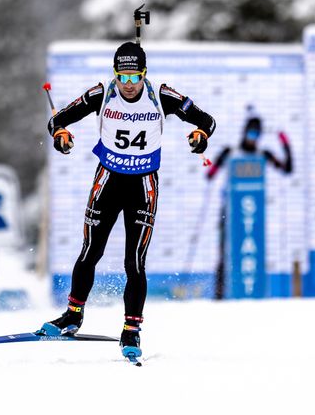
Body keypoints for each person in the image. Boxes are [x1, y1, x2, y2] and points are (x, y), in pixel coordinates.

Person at [38, 41, 216, 360]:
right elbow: (57, 121)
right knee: (91, 251)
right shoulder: (101, 93)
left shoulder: (162, 96)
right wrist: (60, 136)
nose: (129, 85)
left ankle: (131, 329)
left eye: (135, 78)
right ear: (115, 74)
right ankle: (73, 315)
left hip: (143, 185)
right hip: (108, 181)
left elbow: (207, 121)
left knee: (133, 262)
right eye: (124, 77)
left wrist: (200, 137)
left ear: (144, 74)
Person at [206, 107, 292, 299]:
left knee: (251, 250)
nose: (253, 138)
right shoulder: (232, 152)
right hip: (229, 211)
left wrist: (285, 145)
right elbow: (210, 174)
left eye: (257, 134)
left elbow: (287, 168)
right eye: (251, 133)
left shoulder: (263, 154)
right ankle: (219, 295)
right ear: (245, 132)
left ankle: (253, 292)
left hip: (252, 210)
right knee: (224, 252)